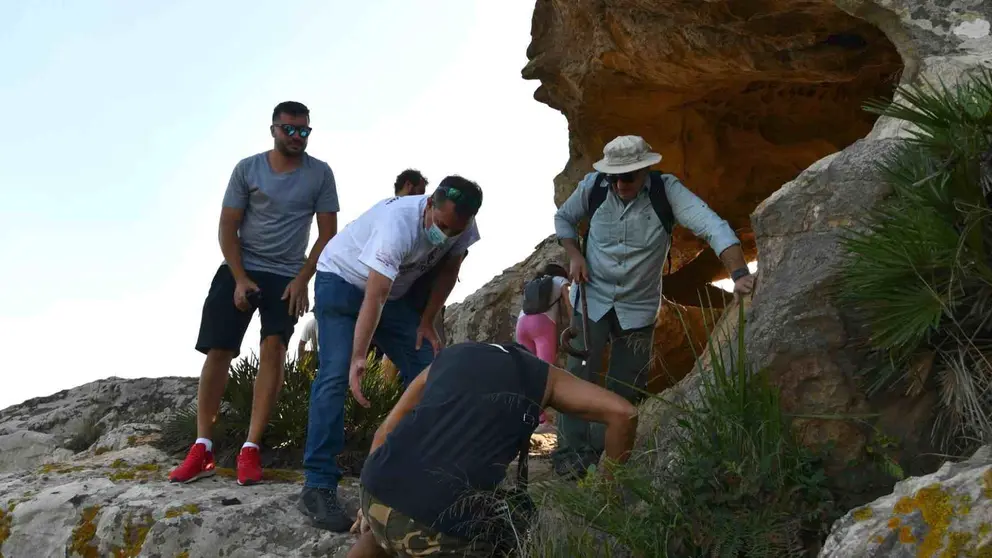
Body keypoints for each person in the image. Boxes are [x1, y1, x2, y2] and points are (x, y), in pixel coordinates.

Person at [550, 134, 755, 479]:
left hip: (638, 309)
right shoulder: (594, 187)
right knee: (577, 378)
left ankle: (604, 456)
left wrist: (738, 274)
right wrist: (574, 255)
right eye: (614, 177)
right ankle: (570, 458)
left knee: (625, 386)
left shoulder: (666, 191)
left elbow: (713, 226)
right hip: (592, 300)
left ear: (646, 170)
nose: (619, 184)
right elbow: (564, 219)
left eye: (627, 177)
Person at [168, 101, 339, 486]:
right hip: (241, 266)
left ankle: (250, 448)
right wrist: (240, 278)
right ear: (274, 129)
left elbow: (328, 233)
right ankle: (202, 446)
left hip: (286, 274)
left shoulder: (320, 174)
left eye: (304, 131)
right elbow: (228, 226)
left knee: (274, 347)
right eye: (289, 129)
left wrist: (302, 278)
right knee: (219, 349)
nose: (297, 137)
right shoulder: (248, 168)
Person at [298, 176, 484, 532]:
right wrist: (358, 357)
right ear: (428, 203)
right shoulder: (396, 224)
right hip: (341, 280)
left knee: (430, 369)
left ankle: (432, 474)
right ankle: (318, 484)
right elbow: (375, 295)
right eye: (441, 225)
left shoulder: (463, 224)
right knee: (336, 373)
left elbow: (450, 268)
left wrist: (427, 321)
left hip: (393, 295)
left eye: (453, 230)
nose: (445, 235)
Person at [344, 341, 639, 558]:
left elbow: (384, 432)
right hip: (440, 527)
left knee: (390, 524)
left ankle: (380, 533)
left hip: (373, 490)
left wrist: (367, 509)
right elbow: (624, 414)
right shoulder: (541, 374)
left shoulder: (449, 357)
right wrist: (609, 502)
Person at [515, 263, 572, 363]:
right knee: (546, 368)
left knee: (527, 366)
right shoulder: (561, 280)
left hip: (521, 324)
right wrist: (574, 323)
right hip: (542, 325)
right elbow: (569, 301)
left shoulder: (532, 283)